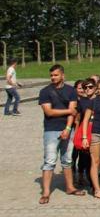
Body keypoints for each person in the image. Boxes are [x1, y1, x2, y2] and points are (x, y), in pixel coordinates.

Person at [38, 64, 84, 204]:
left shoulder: (71, 90)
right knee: (49, 161)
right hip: (51, 129)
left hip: (67, 129)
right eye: (51, 75)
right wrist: (68, 111)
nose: (53, 77)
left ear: (62, 75)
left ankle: (70, 187)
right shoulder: (45, 91)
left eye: (56, 75)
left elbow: (73, 111)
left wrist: (68, 128)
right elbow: (49, 112)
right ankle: (46, 192)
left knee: (67, 160)